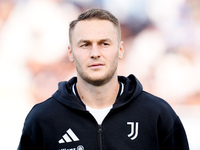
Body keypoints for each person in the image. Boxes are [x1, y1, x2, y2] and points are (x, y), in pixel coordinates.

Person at [18, 8, 189, 150]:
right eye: (85, 44)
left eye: (104, 44)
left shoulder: (157, 115)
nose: (95, 53)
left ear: (120, 50)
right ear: (70, 53)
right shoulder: (43, 119)